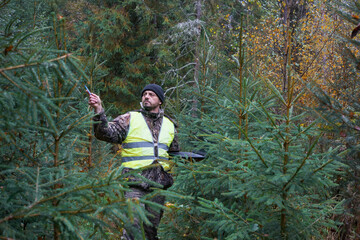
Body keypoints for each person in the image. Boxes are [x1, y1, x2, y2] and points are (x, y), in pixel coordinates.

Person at [88, 84, 180, 240]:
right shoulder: (130, 118)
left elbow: (174, 153)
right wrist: (98, 110)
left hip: (159, 187)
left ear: (160, 101)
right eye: (145, 94)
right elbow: (105, 133)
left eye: (152, 94)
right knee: (133, 228)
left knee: (151, 232)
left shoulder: (170, 125)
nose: (147, 97)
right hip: (134, 184)